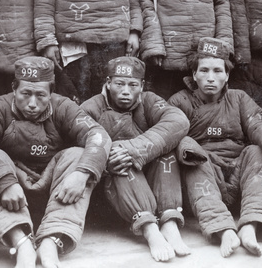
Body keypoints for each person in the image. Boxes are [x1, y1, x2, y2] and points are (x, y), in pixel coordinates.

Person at [0, 56, 111, 268]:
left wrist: (82, 172)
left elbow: (98, 135)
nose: (32, 103)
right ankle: (20, 242)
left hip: (55, 191)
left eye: (41, 95)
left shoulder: (64, 107)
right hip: (11, 193)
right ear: (14, 88)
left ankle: (51, 240)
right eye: (25, 94)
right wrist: (4, 183)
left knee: (78, 155)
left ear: (51, 92)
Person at [168, 37, 262, 258]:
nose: (211, 77)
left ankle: (250, 226)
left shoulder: (239, 98)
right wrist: (189, 147)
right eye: (204, 71)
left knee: (256, 151)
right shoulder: (179, 102)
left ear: (227, 75)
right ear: (194, 75)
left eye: (217, 70)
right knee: (193, 156)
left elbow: (258, 126)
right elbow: (172, 134)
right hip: (206, 173)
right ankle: (223, 229)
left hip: (238, 172)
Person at [80, 56, 190, 262]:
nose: (125, 91)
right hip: (114, 191)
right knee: (119, 161)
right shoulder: (91, 108)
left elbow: (178, 120)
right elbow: (79, 146)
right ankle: (150, 230)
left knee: (166, 153)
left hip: (149, 182)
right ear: (108, 83)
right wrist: (106, 162)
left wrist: (132, 148)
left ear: (142, 86)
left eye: (132, 85)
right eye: (119, 84)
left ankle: (169, 222)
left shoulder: (149, 100)